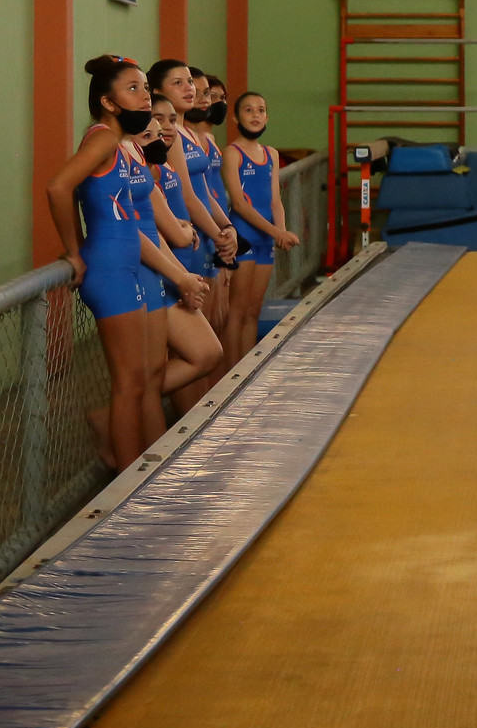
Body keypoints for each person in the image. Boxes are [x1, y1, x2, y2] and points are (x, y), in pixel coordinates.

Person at [44, 55, 162, 471]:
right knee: (128, 383)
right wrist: (73, 250)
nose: (144, 95)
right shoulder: (103, 139)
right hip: (109, 268)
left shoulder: (125, 145)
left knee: (143, 377)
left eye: (146, 87)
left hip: (128, 266)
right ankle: (128, 483)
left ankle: (142, 465)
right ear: (109, 103)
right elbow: (59, 188)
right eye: (133, 88)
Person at [128, 114, 222, 409]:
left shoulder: (152, 177)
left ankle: (141, 410)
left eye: (165, 128)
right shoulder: (134, 172)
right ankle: (128, 415)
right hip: (151, 271)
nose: (160, 136)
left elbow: (166, 222)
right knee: (150, 376)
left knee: (212, 340)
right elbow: (164, 232)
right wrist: (184, 233)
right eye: (148, 135)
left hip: (175, 266)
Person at [223, 93, 299, 362]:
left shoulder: (271, 154)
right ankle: (230, 374)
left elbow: (275, 199)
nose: (255, 115)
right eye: (248, 110)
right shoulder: (232, 153)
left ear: (267, 117)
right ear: (235, 117)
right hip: (243, 236)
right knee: (238, 311)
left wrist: (281, 229)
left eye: (261, 110)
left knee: (254, 311)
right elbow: (241, 204)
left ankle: (245, 370)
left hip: (266, 237)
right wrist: (276, 232)